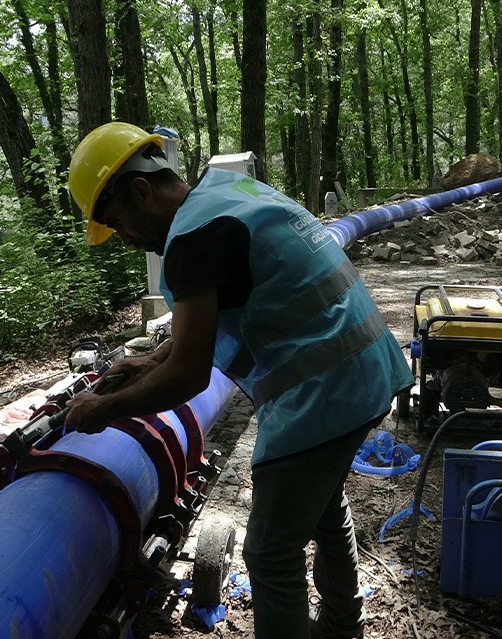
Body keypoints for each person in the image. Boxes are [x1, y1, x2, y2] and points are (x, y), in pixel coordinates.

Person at [64, 122, 413, 639]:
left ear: (140, 191)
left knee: (270, 552)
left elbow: (188, 376)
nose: (125, 237)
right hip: (369, 369)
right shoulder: (227, 193)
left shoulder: (190, 240)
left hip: (325, 394)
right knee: (322, 504)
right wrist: (154, 356)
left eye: (117, 222)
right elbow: (237, 302)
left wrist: (104, 409)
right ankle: (343, 626)